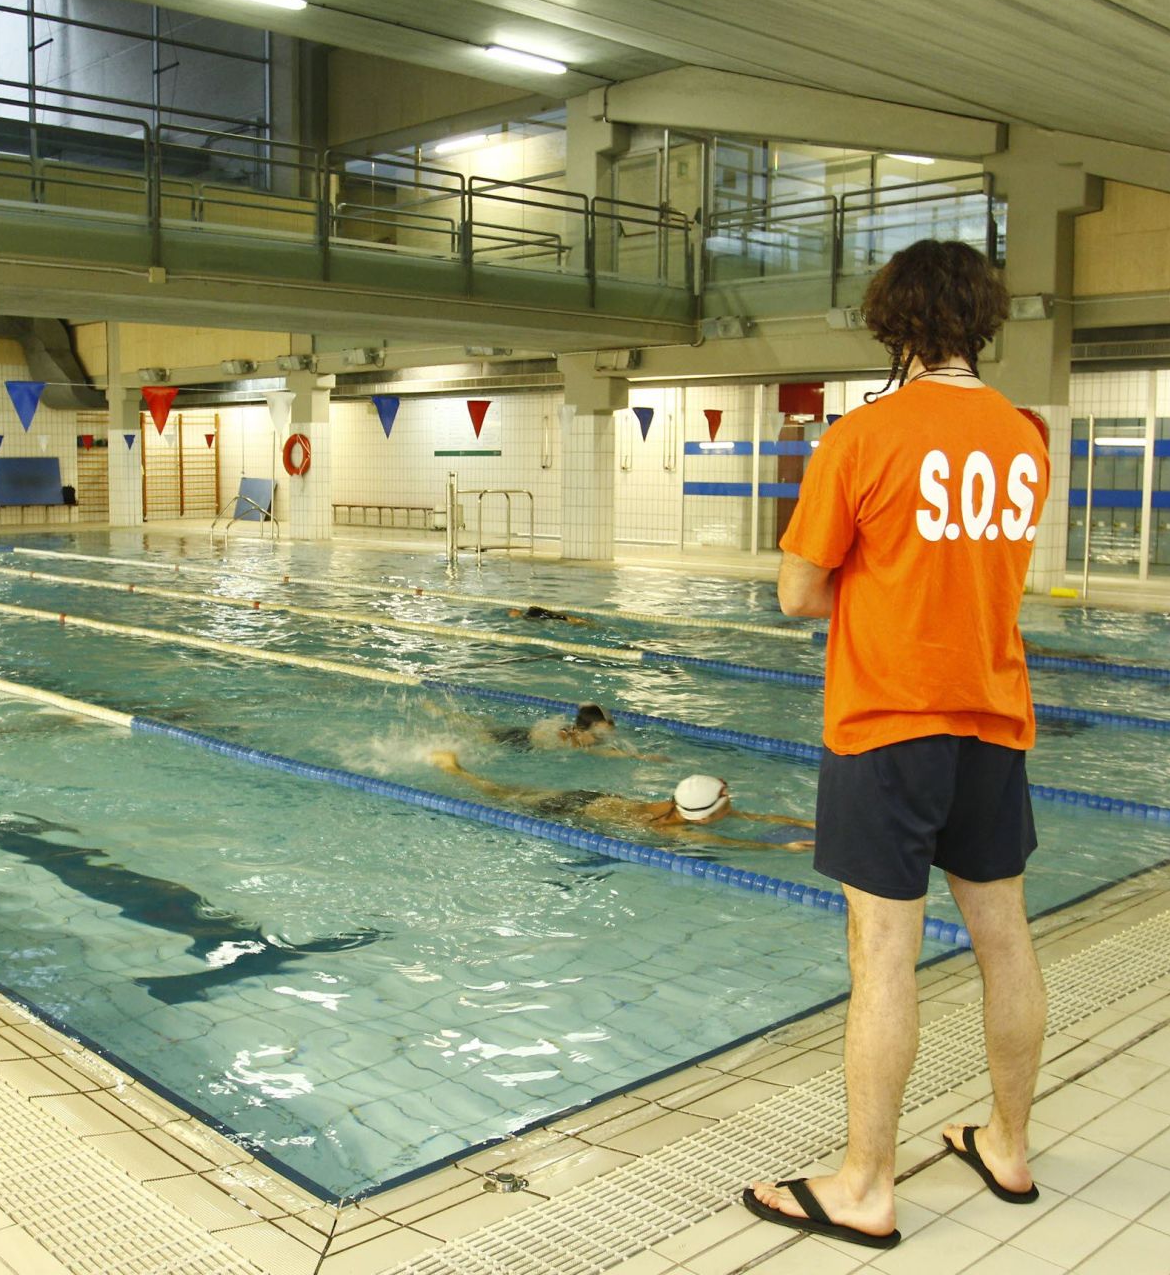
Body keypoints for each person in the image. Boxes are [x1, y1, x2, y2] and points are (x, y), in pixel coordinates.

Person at [746, 239, 1050, 1249]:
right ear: (984, 321)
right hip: (993, 720)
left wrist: (864, 580)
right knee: (1005, 934)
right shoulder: (1023, 437)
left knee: (885, 953)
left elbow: (797, 591)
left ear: (895, 326)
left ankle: (867, 1183)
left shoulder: (864, 437)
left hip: (888, 722)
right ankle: (1007, 1144)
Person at [428, 752, 813, 851]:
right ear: (703, 819)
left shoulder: (681, 809)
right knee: (499, 794)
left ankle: (458, 770)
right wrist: (781, 848)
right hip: (570, 809)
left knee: (510, 789)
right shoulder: (681, 834)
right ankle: (455, 772)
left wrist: (808, 823)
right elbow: (734, 844)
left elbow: (754, 815)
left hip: (592, 799)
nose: (733, 811)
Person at [432, 700, 665, 760]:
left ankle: (447, 714)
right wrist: (638, 756)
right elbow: (600, 753)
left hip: (524, 737)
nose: (611, 730)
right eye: (607, 726)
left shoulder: (586, 735)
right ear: (588, 728)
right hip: (515, 740)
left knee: (484, 724)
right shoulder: (573, 738)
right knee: (473, 734)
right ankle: (442, 714)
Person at [508, 605, 592, 625]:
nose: (511, 612)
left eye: (511, 611)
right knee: (581, 621)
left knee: (580, 622)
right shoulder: (530, 610)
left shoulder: (527, 615)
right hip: (557, 617)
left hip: (557, 618)